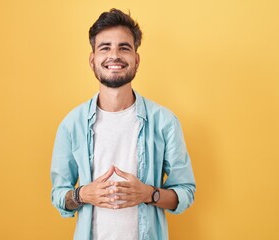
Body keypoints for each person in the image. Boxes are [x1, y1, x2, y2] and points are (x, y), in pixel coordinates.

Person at [50, 8, 196, 240]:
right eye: (105, 47)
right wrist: (83, 195)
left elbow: (186, 192)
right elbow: (59, 195)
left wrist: (149, 194)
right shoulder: (71, 125)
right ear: (92, 60)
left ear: (136, 60)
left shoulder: (165, 122)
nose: (114, 56)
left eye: (124, 48)